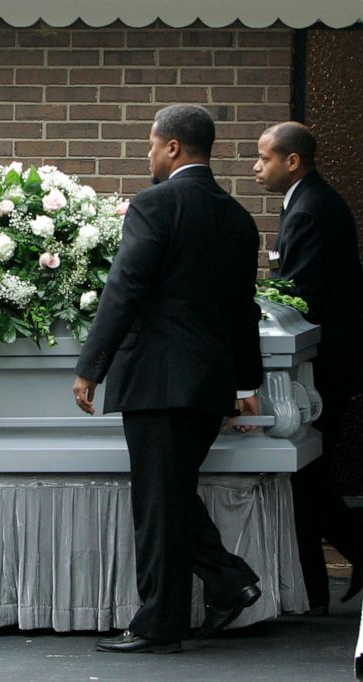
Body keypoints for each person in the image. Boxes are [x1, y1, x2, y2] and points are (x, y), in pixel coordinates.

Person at [73, 104, 264, 653]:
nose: (149, 155)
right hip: (209, 382)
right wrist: (245, 385)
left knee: (157, 504)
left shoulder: (155, 205)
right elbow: (240, 310)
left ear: (174, 147)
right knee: (171, 495)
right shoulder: (238, 217)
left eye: (153, 145)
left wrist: (91, 366)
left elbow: (124, 288)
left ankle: (159, 626)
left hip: (158, 379)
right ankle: (230, 583)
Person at [255, 121, 363, 615]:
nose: (257, 167)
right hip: (330, 363)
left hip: (323, 367)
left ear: (291, 160)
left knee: (305, 478)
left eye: (264, 158)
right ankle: (317, 588)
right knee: (307, 479)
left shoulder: (310, 211)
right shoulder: (310, 202)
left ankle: (315, 592)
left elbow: (298, 293)